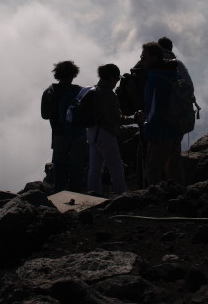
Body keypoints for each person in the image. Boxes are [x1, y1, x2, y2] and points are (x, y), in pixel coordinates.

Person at [139, 41, 185, 186]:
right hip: (177, 128)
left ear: (154, 57)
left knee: (153, 169)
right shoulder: (174, 73)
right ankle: (181, 198)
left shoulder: (155, 78)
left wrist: (149, 133)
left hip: (161, 133)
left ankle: (153, 202)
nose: (141, 60)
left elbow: (155, 111)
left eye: (144, 57)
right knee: (174, 168)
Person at [86, 63, 132, 197]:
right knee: (116, 166)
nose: (117, 82)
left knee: (95, 168)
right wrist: (135, 119)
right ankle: (121, 194)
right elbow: (116, 118)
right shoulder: (107, 94)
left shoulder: (94, 90)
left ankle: (93, 195)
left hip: (92, 132)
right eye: (117, 79)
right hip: (105, 134)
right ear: (112, 78)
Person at [40, 60, 87, 192]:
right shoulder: (80, 91)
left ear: (57, 74)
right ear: (74, 75)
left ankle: (59, 195)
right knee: (77, 166)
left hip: (59, 134)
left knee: (59, 166)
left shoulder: (49, 92)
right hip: (79, 134)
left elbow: (44, 115)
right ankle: (77, 194)